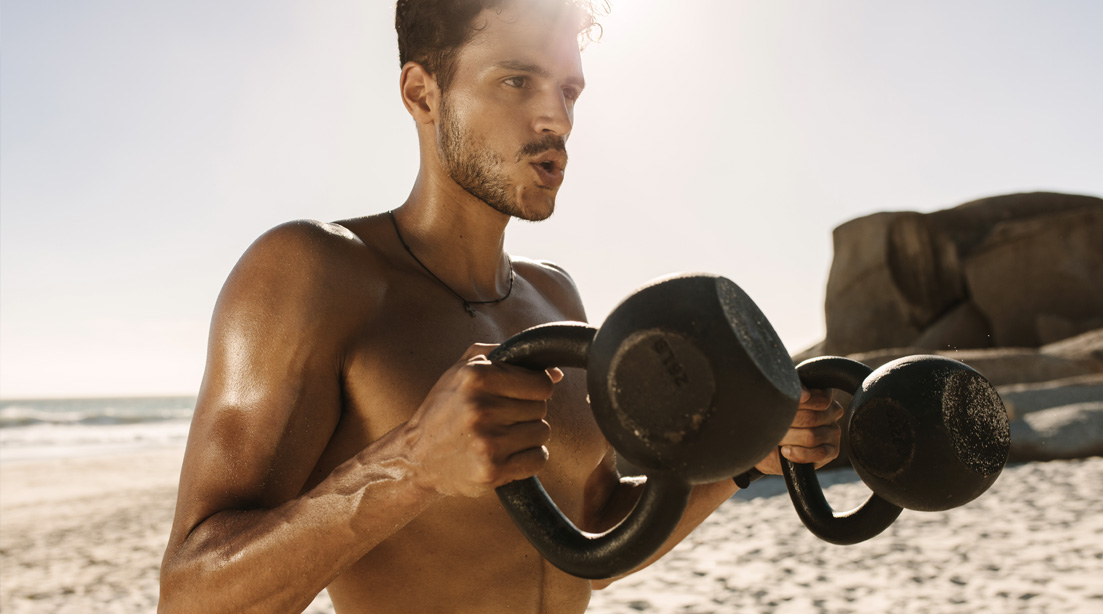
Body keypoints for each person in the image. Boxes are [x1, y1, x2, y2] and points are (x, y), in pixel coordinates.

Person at [158, 1, 843, 612]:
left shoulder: (554, 296)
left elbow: (592, 534)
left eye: (568, 89)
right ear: (422, 94)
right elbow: (191, 597)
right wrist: (411, 466)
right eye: (517, 81)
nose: (557, 118)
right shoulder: (313, 274)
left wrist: (747, 463)